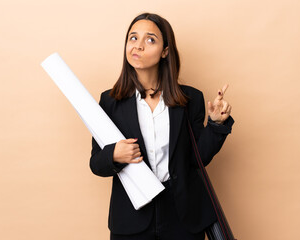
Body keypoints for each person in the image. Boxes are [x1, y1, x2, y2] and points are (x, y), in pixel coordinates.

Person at [90, 12, 234, 240]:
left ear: (165, 51)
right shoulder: (110, 101)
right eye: (133, 38)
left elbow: (198, 160)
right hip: (131, 218)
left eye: (150, 40)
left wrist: (216, 124)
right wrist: (114, 155)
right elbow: (96, 163)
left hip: (182, 217)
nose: (138, 46)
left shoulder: (190, 100)